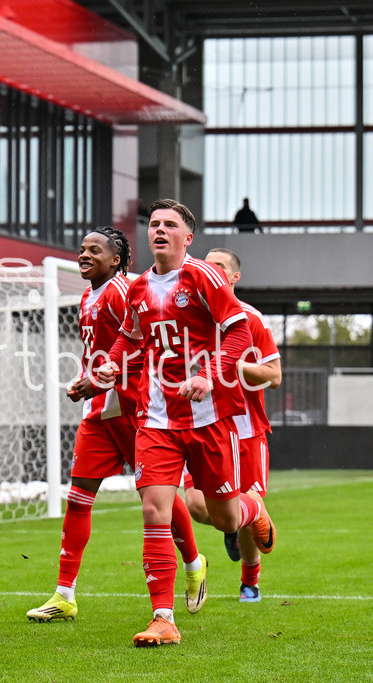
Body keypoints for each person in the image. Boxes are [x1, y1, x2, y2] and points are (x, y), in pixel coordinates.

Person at [96, 198, 276, 647]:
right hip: (157, 417)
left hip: (210, 418)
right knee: (155, 509)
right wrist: (110, 365)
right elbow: (130, 333)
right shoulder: (138, 288)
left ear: (186, 237)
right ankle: (162, 617)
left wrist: (210, 375)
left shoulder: (203, 276)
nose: (159, 230)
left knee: (224, 517)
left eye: (169, 224)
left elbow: (236, 331)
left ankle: (253, 509)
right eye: (154, 223)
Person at [25, 227, 208, 624]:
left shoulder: (122, 291)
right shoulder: (89, 295)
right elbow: (100, 353)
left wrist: (104, 377)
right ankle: (64, 594)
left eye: (96, 250)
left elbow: (146, 347)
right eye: (82, 249)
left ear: (117, 260)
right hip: (100, 412)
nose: (84, 254)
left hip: (132, 409)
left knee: (155, 497)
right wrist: (88, 379)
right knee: (78, 497)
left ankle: (194, 562)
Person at [182, 247, 282, 604]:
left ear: (234, 277)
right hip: (201, 425)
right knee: (195, 506)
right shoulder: (189, 313)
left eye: (219, 266)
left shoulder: (251, 319)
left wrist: (229, 364)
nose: (211, 269)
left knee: (242, 520)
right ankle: (238, 517)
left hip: (245, 429)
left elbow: (274, 376)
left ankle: (250, 583)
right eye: (206, 264)